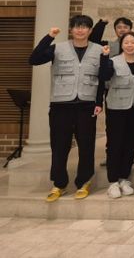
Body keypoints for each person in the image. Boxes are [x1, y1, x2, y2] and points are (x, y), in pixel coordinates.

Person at [29, 15, 104, 202]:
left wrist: (98, 102)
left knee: (86, 146)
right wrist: (49, 37)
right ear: (71, 29)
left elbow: (102, 79)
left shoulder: (99, 50)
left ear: (90, 30)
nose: (80, 30)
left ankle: (84, 182)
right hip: (61, 106)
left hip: (86, 106)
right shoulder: (57, 48)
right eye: (77, 26)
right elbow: (34, 59)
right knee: (59, 146)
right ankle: (59, 184)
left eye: (84, 27)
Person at [99, 31, 134, 198]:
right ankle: (112, 181)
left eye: (133, 42)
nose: (130, 45)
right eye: (126, 42)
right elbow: (104, 77)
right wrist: (104, 58)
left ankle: (124, 178)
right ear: (121, 45)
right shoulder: (113, 61)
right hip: (116, 108)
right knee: (115, 144)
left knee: (130, 144)